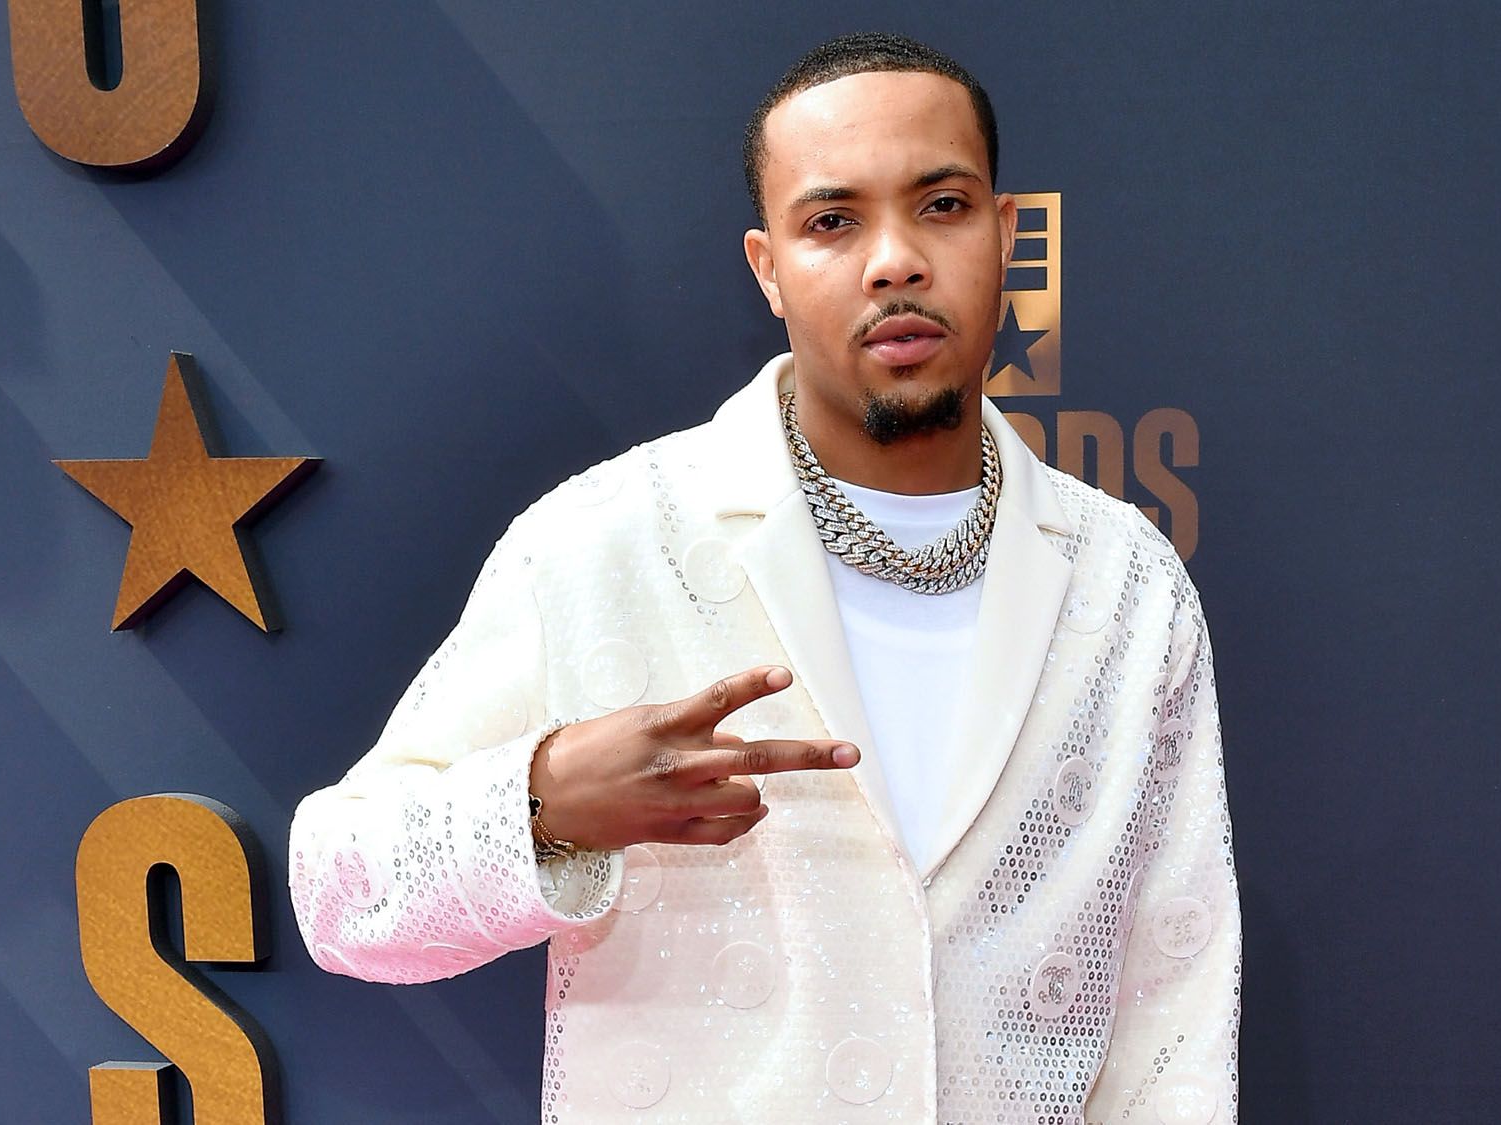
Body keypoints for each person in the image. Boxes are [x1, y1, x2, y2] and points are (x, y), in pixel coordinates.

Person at [289, 32, 1240, 1124]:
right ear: (768, 268)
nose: (895, 262)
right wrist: (545, 800)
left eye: (941, 205)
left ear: (1007, 232)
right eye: (832, 222)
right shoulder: (602, 543)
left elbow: (1176, 1006)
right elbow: (338, 895)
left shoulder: (1126, 583)